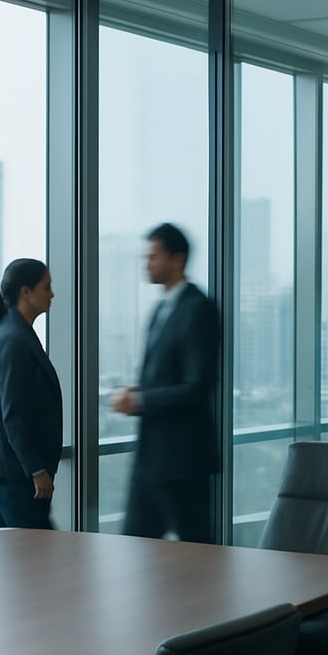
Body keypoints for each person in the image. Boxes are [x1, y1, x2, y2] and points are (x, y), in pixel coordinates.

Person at [112, 223, 219, 542]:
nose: (147, 264)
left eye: (153, 256)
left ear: (178, 259)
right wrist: (139, 392)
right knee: (135, 547)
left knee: (197, 554)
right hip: (152, 459)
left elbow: (198, 386)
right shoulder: (162, 308)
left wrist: (141, 401)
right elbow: (166, 376)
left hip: (183, 462)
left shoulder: (199, 309)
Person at [0, 258, 62, 530]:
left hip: (11, 475)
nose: (52, 293)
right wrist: (37, 470)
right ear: (26, 292)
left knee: (13, 561)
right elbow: (13, 415)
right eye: (46, 287)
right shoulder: (13, 340)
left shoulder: (16, 334)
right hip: (19, 478)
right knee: (37, 560)